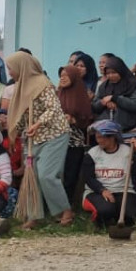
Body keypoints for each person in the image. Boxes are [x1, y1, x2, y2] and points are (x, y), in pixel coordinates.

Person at [6, 51, 75, 228]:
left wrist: (38, 123)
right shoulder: (20, 87)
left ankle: (65, 210)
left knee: (46, 174)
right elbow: (21, 114)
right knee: (32, 175)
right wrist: (14, 132)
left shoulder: (42, 83)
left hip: (54, 134)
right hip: (33, 138)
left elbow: (53, 108)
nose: (9, 72)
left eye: (11, 68)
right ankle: (34, 216)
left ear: (21, 67)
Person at [80, 120, 136, 226]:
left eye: (102, 137)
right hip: (97, 192)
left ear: (112, 137)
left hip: (123, 190)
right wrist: (102, 190)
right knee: (106, 210)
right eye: (97, 137)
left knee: (132, 215)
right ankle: (100, 222)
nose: (99, 141)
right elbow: (88, 178)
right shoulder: (92, 153)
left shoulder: (127, 151)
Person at [58, 64, 95, 207]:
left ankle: (68, 204)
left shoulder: (80, 94)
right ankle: (56, 203)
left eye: (66, 76)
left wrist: (75, 120)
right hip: (57, 140)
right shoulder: (57, 94)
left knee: (71, 173)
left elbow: (88, 118)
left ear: (74, 77)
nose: (62, 78)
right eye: (61, 76)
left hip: (75, 141)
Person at [91, 55, 136, 138]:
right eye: (108, 73)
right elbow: (95, 106)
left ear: (121, 71)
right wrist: (103, 103)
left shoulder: (134, 84)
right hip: (105, 131)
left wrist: (115, 98)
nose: (110, 76)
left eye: (114, 72)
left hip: (128, 129)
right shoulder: (104, 86)